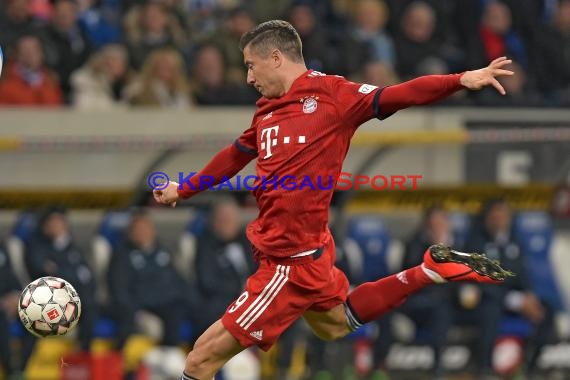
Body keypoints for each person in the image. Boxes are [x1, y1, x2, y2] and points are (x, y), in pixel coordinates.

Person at [152, 20, 515, 380]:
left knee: (199, 361)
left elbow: (398, 94)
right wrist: (183, 188)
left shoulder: (333, 94)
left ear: (275, 58)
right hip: (307, 250)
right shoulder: (267, 107)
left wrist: (460, 79)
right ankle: (426, 272)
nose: (249, 77)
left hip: (288, 263)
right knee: (335, 324)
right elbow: (235, 154)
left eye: (251, 65)